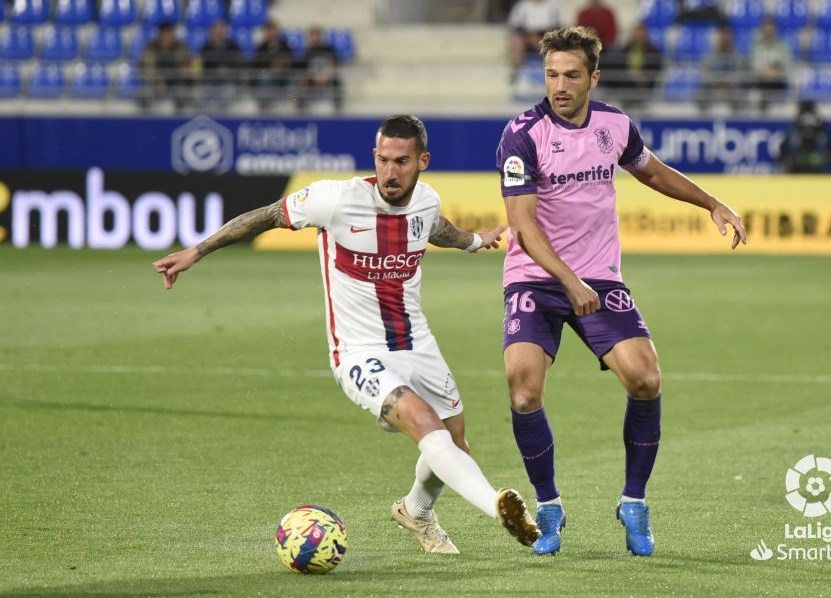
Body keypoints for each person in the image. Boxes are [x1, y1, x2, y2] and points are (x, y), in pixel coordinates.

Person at [153, 115, 540, 555]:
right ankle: (498, 507)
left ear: (422, 161)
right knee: (424, 424)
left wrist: (473, 241)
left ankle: (416, 511)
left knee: (455, 440)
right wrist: (196, 251)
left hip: (418, 343)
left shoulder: (426, 201)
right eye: (383, 160)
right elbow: (264, 216)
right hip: (358, 354)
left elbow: (435, 229)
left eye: (402, 161)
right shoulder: (334, 199)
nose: (391, 172)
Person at [495, 26, 746, 557]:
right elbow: (523, 228)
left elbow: (651, 173)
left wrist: (712, 203)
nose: (559, 85)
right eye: (551, 75)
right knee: (523, 389)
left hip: (600, 277)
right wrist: (569, 281)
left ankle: (634, 500)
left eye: (571, 75)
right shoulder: (522, 134)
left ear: (593, 78)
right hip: (537, 278)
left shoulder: (614, 124)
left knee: (646, 380)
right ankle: (549, 505)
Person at [138, 22, 196, 110]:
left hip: (176, 79)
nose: (168, 36)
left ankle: (179, 116)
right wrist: (156, 78)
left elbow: (186, 64)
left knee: (181, 91)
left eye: (170, 33)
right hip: (156, 80)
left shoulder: (180, 47)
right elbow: (144, 66)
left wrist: (185, 69)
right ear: (160, 34)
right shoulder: (151, 47)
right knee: (145, 93)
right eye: (165, 33)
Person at [199, 19, 245, 110]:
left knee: (227, 93)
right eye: (217, 29)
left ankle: (222, 118)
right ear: (212, 31)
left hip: (229, 81)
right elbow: (203, 67)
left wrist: (228, 70)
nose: (219, 31)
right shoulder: (206, 48)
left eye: (222, 28)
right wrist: (215, 71)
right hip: (211, 81)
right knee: (200, 93)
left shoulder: (233, 46)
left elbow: (239, 63)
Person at [778, 100, 831, 174]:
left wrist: (827, 157)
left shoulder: (819, 125)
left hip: (816, 162)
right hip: (798, 162)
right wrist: (786, 159)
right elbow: (784, 144)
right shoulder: (796, 125)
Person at [508, 0, 563, 73]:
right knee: (515, 42)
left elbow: (558, 26)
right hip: (527, 36)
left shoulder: (552, 5)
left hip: (546, 35)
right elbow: (515, 27)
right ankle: (516, 73)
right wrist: (529, 37)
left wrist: (543, 37)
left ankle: (554, 71)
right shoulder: (522, 6)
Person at [701, 25, 747, 112]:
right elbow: (704, 72)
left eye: (728, 37)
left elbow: (740, 72)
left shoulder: (737, 55)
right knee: (702, 93)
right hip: (714, 87)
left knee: (740, 94)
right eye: (723, 37)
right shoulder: (710, 55)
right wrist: (717, 80)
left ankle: (736, 120)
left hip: (731, 88)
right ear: (719, 38)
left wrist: (728, 80)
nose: (726, 39)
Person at [251, 19, 295, 110]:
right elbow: (256, 65)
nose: (272, 32)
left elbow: (292, 61)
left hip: (284, 74)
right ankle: (265, 104)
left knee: (293, 80)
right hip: (267, 73)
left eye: (274, 30)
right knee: (264, 77)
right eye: (269, 30)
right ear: (266, 32)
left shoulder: (285, 46)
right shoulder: (261, 47)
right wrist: (270, 67)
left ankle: (289, 105)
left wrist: (282, 65)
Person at [751, 17, 792, 112]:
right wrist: (765, 71)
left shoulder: (783, 47)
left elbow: (787, 65)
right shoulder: (756, 46)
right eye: (766, 30)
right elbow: (755, 65)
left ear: (775, 31)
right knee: (759, 85)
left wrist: (776, 71)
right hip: (761, 81)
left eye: (771, 30)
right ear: (763, 30)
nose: (769, 32)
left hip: (778, 81)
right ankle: (762, 109)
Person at [297, 25, 343, 111]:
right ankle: (301, 110)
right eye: (313, 35)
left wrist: (325, 76)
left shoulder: (328, 49)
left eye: (317, 35)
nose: (315, 38)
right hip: (312, 78)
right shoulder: (307, 52)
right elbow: (303, 68)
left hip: (327, 77)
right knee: (301, 83)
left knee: (337, 82)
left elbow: (335, 64)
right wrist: (312, 78)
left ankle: (338, 108)